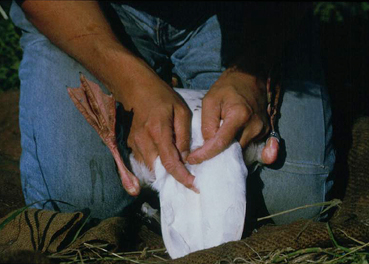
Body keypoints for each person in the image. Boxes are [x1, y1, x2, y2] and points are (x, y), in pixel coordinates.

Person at [10, 1, 335, 225]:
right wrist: (132, 85)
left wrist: (254, 68)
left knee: (294, 204)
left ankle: (174, 86)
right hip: (89, 13)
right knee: (79, 207)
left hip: (240, 13)